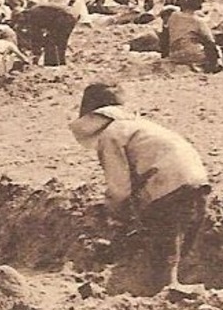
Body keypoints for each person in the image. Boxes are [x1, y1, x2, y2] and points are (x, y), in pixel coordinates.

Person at [68, 82, 211, 295]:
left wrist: (115, 215)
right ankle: (173, 281)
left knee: (162, 234)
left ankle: (166, 287)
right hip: (196, 177)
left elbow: (120, 186)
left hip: (166, 182)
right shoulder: (142, 126)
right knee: (175, 235)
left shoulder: (111, 135)